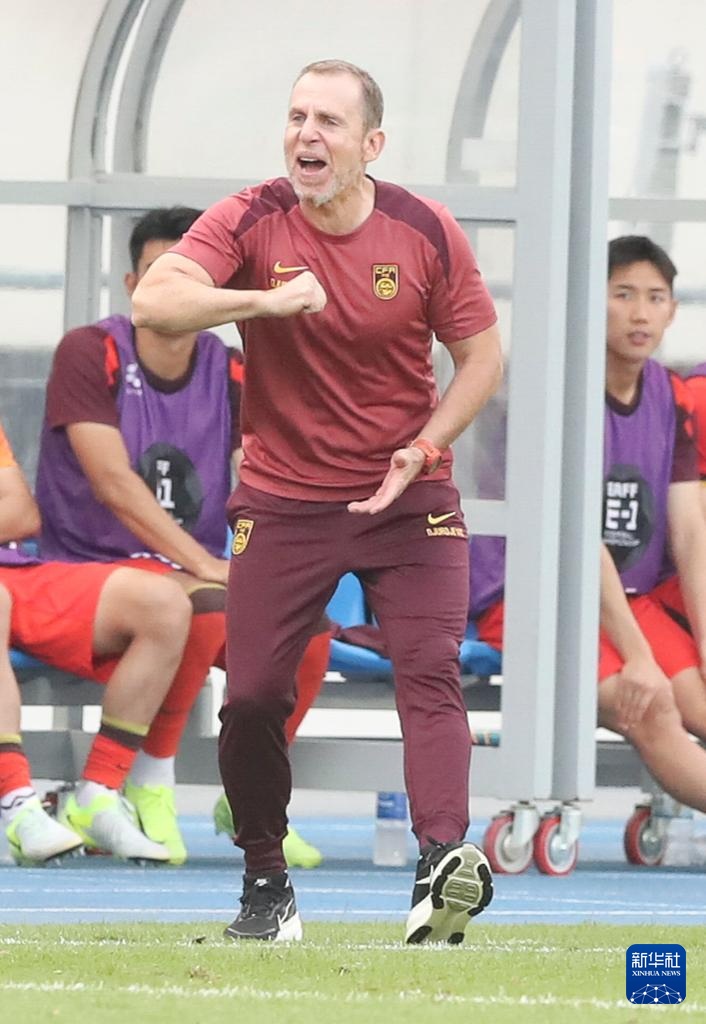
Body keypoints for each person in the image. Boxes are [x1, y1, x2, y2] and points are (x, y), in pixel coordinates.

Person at [131, 59, 502, 944]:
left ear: (372, 145)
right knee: (254, 696)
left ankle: (440, 867)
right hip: (284, 502)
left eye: (329, 121)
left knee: (430, 672)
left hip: (410, 499)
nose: (307, 134)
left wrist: (426, 446)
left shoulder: (426, 229)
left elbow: (483, 357)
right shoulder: (251, 216)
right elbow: (153, 301)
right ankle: (267, 885)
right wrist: (263, 301)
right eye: (297, 116)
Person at [35, 207, 329, 869]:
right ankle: (147, 787)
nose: (173, 294)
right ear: (133, 284)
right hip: (92, 567)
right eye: (158, 277)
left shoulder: (232, 370)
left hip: (187, 575)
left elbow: (265, 472)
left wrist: (276, 559)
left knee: (308, 626)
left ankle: (251, 792)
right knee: (203, 604)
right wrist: (205, 563)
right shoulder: (91, 351)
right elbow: (113, 482)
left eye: (192, 280)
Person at [471, 235, 706, 829]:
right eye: (622, 294)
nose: (640, 313)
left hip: (629, 600)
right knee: (651, 706)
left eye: (655, 297)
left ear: (673, 311)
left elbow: (689, 534)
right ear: (586, 302)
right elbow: (578, 541)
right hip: (534, 600)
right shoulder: (559, 397)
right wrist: (639, 657)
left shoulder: (669, 394)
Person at [0, 418, 193, 865]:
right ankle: (17, 804)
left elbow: (20, 512)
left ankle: (98, 793)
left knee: (163, 604)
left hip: (14, 572)